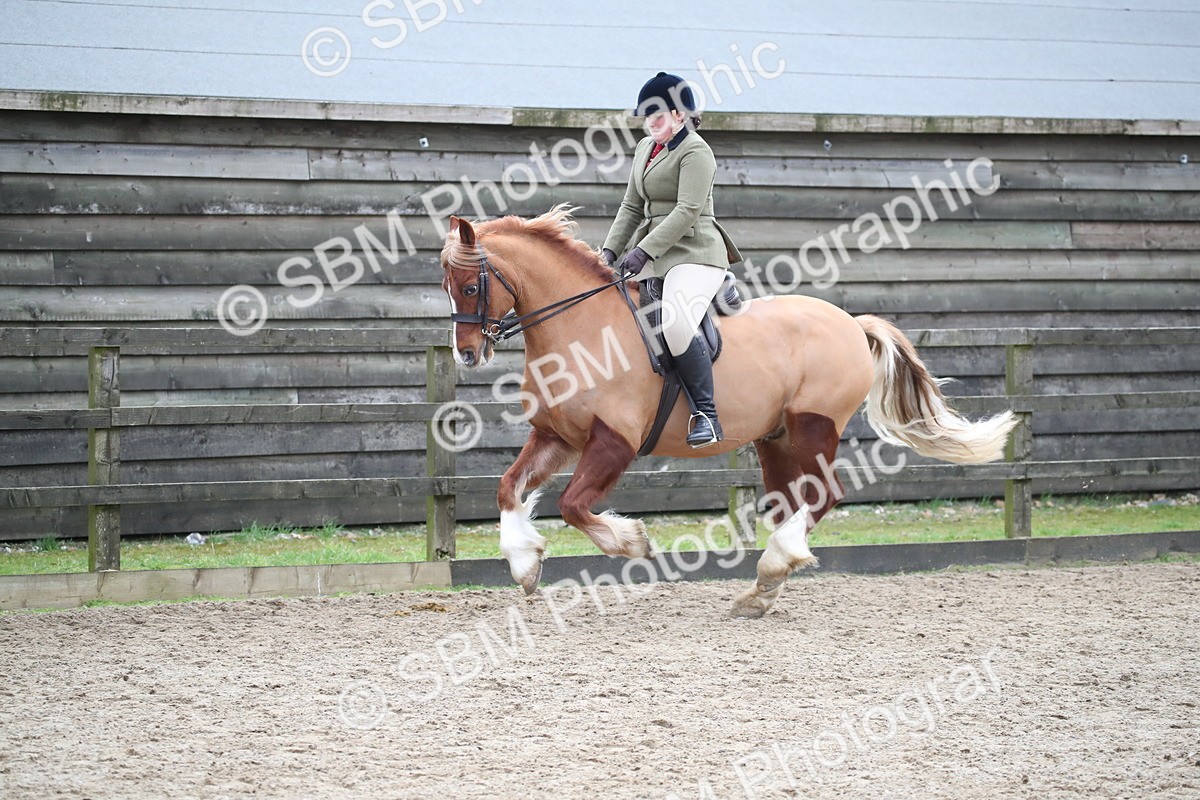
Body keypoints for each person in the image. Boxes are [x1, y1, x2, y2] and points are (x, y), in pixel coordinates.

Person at [601, 72, 743, 448]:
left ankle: (707, 416)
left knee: (676, 323)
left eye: (658, 116)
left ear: (680, 115)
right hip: (654, 252)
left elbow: (687, 210)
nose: (650, 123)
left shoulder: (696, 152)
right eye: (647, 116)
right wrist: (608, 252)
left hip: (694, 252)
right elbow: (631, 205)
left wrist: (643, 250)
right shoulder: (645, 148)